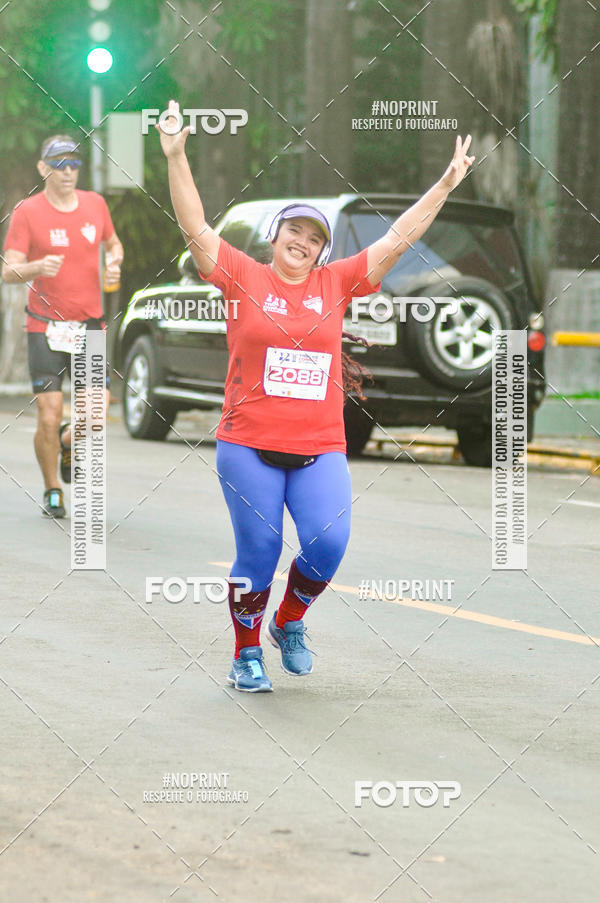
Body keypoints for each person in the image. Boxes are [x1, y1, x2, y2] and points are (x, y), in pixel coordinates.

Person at [158, 100, 474, 692]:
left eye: (314, 236)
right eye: (294, 231)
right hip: (247, 444)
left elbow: (399, 238)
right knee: (261, 552)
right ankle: (246, 653)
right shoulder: (241, 275)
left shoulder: (338, 282)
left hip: (319, 445)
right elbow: (195, 227)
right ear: (275, 237)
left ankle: (289, 621)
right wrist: (176, 155)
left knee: (327, 545)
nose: (302, 241)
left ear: (323, 250)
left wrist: (444, 185)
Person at [2, 135, 123, 518]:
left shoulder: (95, 205)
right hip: (45, 327)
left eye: (74, 164)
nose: (68, 171)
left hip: (88, 325)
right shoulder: (27, 212)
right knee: (49, 414)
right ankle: (53, 488)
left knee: (96, 412)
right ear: (43, 168)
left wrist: (115, 260)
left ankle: (70, 441)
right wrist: (37, 267)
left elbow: (113, 243)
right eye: (59, 163)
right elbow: (9, 270)